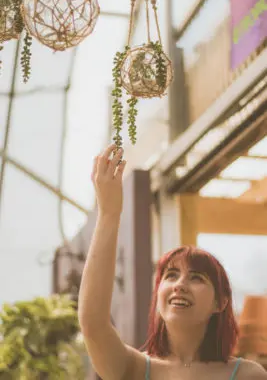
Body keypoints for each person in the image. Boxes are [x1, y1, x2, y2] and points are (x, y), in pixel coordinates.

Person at [78, 144, 267, 380]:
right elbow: (92, 323)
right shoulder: (133, 369)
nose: (180, 284)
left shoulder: (247, 375)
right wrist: (108, 213)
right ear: (158, 295)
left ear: (220, 302)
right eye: (170, 275)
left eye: (196, 277)